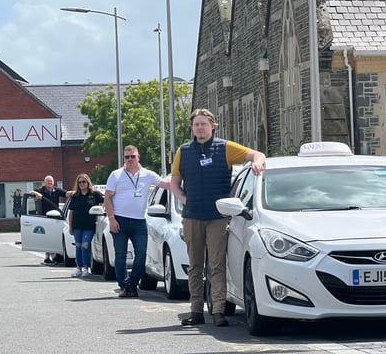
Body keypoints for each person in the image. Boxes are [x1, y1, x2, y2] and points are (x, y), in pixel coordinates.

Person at [170, 108, 266, 326]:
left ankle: (219, 311)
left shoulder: (225, 148)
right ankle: (196, 311)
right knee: (194, 265)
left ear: (213, 126)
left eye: (203, 124)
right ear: (192, 128)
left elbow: (256, 154)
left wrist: (257, 162)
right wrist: (184, 199)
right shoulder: (183, 151)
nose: (200, 128)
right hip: (192, 215)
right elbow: (174, 183)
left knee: (216, 264)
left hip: (218, 216)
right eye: (196, 124)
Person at [105, 145, 170, 298]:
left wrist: (182, 177)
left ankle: (132, 283)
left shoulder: (147, 174)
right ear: (124, 159)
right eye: (127, 157)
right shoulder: (116, 175)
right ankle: (124, 285)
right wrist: (111, 218)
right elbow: (107, 198)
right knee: (120, 255)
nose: (130, 160)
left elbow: (166, 185)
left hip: (139, 221)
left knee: (141, 254)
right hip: (119, 220)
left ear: (138, 157)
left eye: (132, 156)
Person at [67, 173, 104, 277]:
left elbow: (106, 201)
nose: (82, 184)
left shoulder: (95, 194)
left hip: (89, 225)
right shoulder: (75, 196)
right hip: (77, 225)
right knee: (78, 246)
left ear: (88, 182)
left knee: (85, 245)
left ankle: (86, 268)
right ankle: (78, 268)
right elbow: (71, 212)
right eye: (80, 182)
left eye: (84, 182)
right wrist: (70, 227)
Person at [29, 175, 69, 264]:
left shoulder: (57, 190)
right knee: (46, 237)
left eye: (51, 181)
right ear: (45, 182)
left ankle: (54, 256)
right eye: (48, 181)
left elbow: (67, 194)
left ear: (53, 182)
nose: (49, 183)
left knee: (54, 237)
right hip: (45, 218)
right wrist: (36, 194)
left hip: (55, 218)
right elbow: (30, 192)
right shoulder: (41, 190)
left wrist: (76, 192)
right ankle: (47, 257)